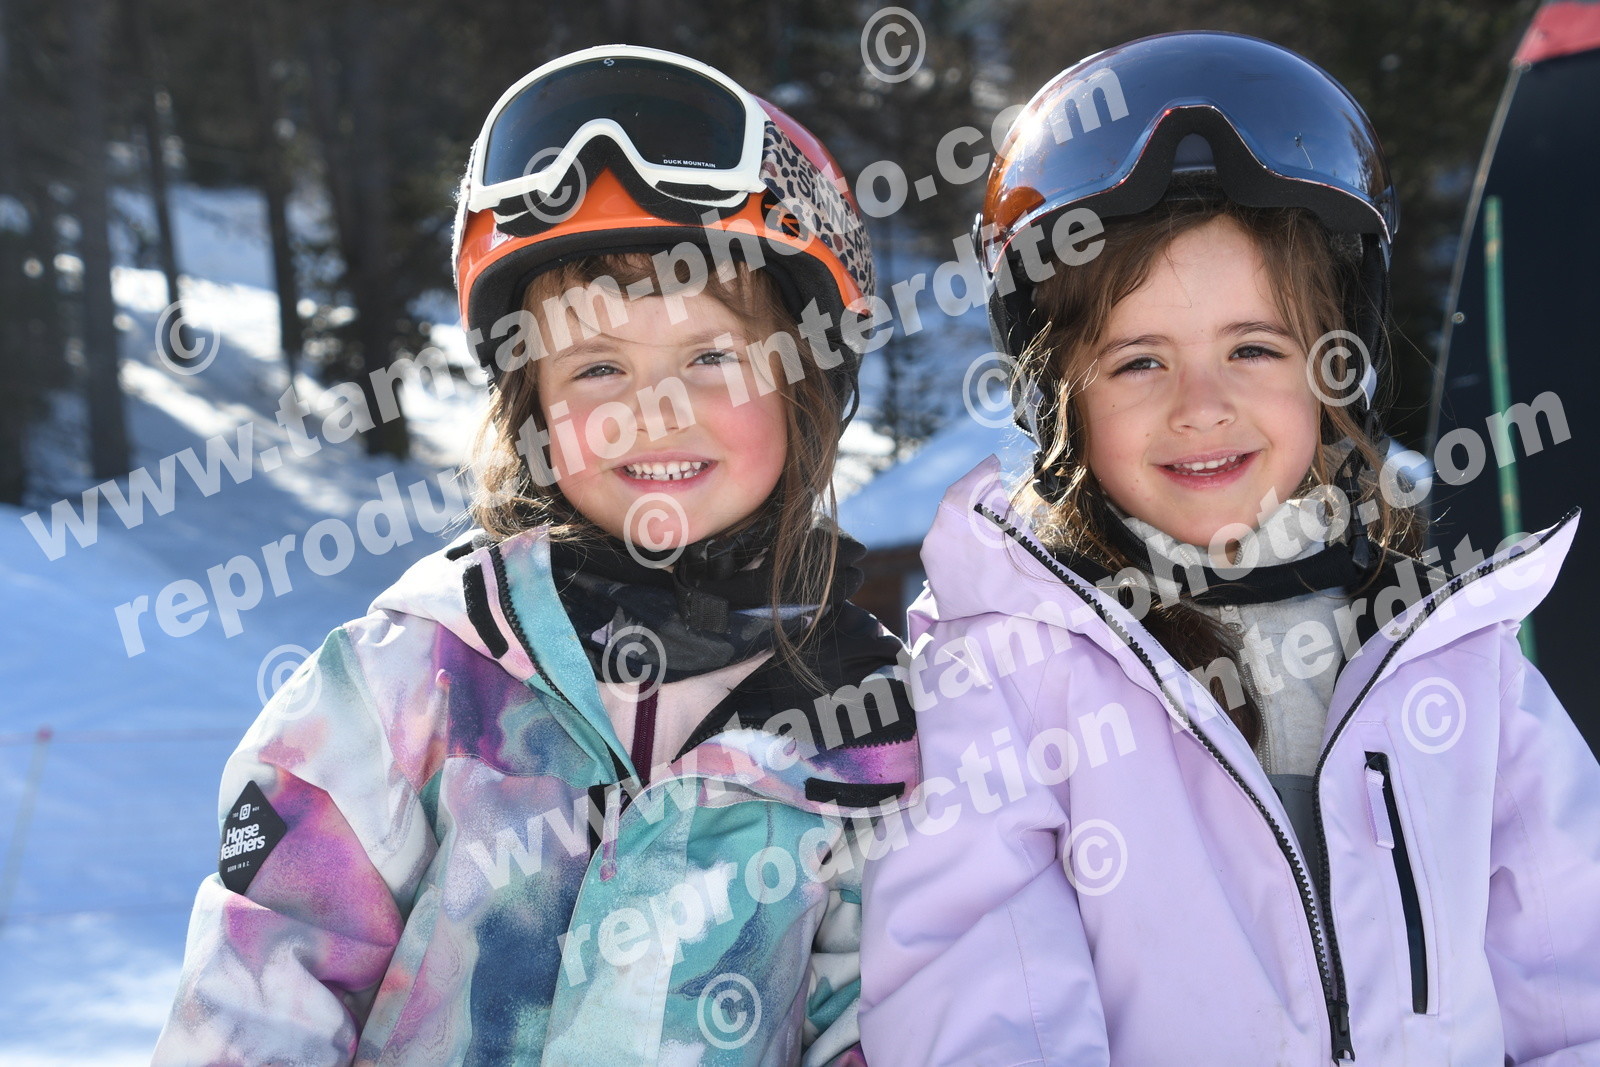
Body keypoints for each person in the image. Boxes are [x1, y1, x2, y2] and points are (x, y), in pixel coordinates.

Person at [157, 45, 914, 1066]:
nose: (656, 409)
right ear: (533, 410)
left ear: (803, 388)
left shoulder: (865, 728)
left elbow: (873, 1020)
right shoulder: (417, 679)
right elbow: (264, 980)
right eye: (598, 367)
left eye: (711, 356)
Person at [859, 31, 1600, 1065]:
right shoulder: (1010, 678)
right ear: (1060, 397)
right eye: (1138, 361)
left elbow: (1574, 983)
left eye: (1252, 347)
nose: (1200, 405)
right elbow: (981, 996)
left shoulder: (1461, 659)